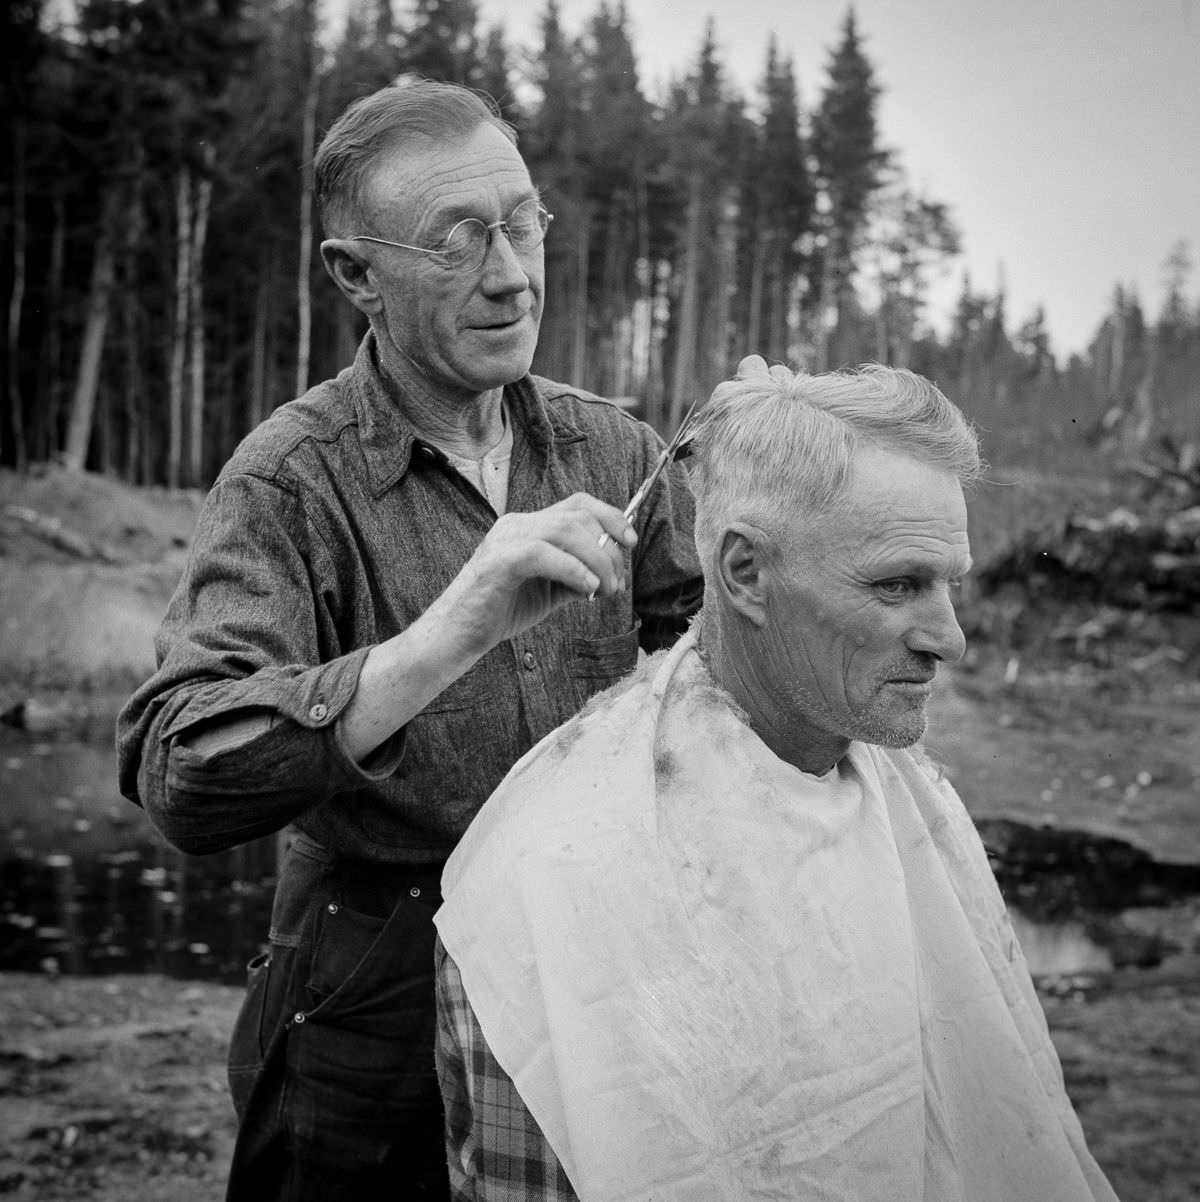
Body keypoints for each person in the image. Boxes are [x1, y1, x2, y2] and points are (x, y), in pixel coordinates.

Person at [115, 80, 701, 1202]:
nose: (512, 273)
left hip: (591, 976)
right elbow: (183, 769)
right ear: (354, 274)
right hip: (368, 990)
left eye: (523, 221)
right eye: (457, 239)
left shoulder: (615, 448)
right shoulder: (291, 480)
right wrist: (454, 629)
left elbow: (704, 667)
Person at [433, 356, 1120, 1201]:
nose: (950, 639)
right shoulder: (549, 875)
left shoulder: (913, 796)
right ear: (745, 573)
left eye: (948, 586)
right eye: (897, 584)